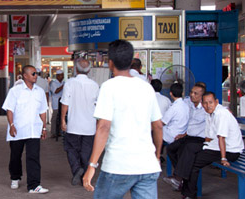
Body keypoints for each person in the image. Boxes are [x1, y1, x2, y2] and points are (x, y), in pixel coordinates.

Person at [83, 40, 163, 199]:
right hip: (147, 165)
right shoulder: (146, 87)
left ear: (110, 62)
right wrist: (157, 156)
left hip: (118, 165)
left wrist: (92, 165)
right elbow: (158, 126)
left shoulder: (109, 87)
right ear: (131, 60)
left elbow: (104, 127)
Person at [177, 92, 244, 199]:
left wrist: (223, 158)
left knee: (194, 161)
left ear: (216, 102)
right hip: (215, 145)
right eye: (205, 103)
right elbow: (209, 136)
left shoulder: (221, 114)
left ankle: (189, 194)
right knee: (188, 147)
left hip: (230, 151)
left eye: (211, 102)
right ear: (202, 104)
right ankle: (181, 180)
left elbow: (221, 138)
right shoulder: (209, 113)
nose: (208, 106)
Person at [2, 65, 49, 194]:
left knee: (33, 157)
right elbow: (9, 109)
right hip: (18, 130)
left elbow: (43, 111)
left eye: (36, 73)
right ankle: (15, 177)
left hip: (34, 129)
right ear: (25, 76)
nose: (36, 76)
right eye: (33, 73)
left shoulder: (39, 91)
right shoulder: (15, 91)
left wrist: (44, 127)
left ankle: (34, 185)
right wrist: (11, 125)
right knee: (15, 156)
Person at [60, 58, 99, 185]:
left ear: (75, 69)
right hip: (89, 126)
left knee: (71, 149)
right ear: (89, 71)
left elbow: (65, 103)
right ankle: (84, 176)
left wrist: (62, 120)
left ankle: (77, 169)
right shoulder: (94, 85)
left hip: (73, 124)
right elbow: (98, 106)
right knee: (86, 152)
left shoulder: (70, 83)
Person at [164, 83, 207, 190]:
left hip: (201, 139)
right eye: (191, 92)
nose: (192, 95)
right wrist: (184, 134)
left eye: (195, 93)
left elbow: (220, 109)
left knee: (186, 151)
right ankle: (182, 177)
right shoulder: (189, 104)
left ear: (202, 96)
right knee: (171, 148)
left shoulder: (206, 108)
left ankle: (179, 178)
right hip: (189, 136)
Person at [49, 70, 65, 138]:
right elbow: (56, 91)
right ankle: (53, 132)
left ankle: (60, 132)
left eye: (63, 75)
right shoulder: (53, 83)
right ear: (57, 76)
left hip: (63, 103)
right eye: (61, 75)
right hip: (56, 103)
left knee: (61, 117)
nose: (62, 77)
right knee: (55, 118)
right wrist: (63, 86)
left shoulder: (64, 82)